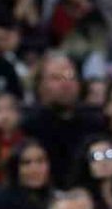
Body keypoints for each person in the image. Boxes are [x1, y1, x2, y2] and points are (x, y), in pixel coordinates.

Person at [23, 54, 104, 187]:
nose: (66, 84)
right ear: (39, 85)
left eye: (71, 77)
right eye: (56, 78)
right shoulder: (28, 125)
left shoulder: (95, 122)